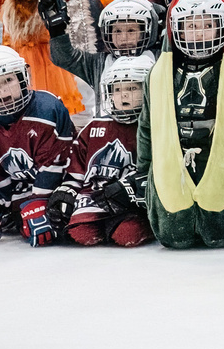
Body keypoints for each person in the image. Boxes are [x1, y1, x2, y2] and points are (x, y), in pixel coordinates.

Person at [134, 0, 224, 252]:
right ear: (176, 30)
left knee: (222, 223)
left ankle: (220, 225)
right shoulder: (159, 72)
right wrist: (142, 170)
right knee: (174, 232)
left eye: (208, 25)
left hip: (217, 152)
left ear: (223, 29)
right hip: (173, 157)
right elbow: (147, 126)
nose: (199, 33)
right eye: (191, 26)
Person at [0, 48, 72, 246]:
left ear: (23, 77)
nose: (3, 90)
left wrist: (40, 201)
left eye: (8, 80)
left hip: (61, 187)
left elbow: (58, 160)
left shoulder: (49, 109)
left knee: (62, 223)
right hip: (19, 192)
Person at [58, 55, 155, 248]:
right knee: (80, 233)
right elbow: (76, 168)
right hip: (95, 197)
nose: (123, 95)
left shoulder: (154, 127)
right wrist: (66, 191)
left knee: (127, 235)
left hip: (134, 202)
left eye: (132, 88)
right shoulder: (95, 126)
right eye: (117, 89)